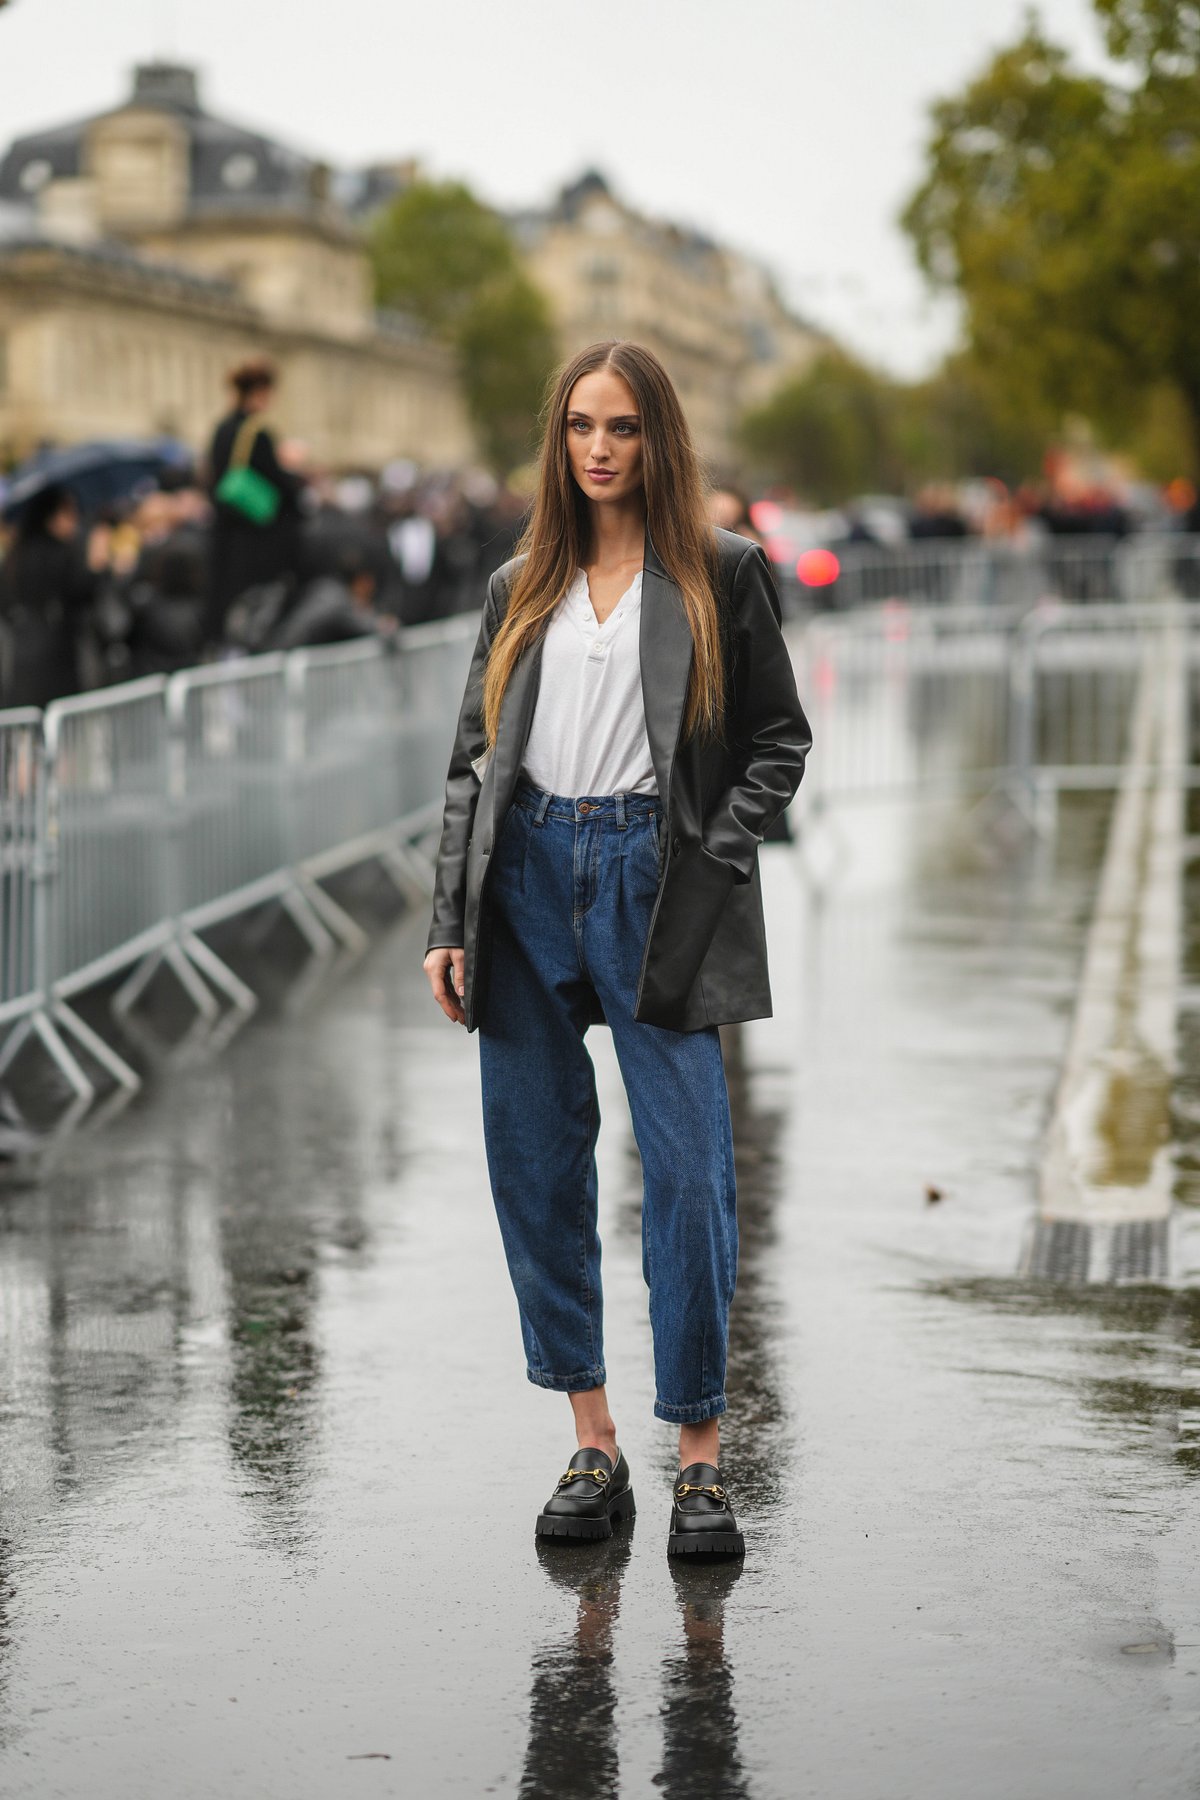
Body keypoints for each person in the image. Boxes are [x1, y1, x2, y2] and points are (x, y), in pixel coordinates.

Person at [423, 340, 811, 1559]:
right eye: (583, 426)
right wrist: (448, 919)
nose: (599, 448)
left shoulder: (722, 573)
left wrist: (707, 856)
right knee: (536, 1161)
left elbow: (778, 744)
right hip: (525, 873)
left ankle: (699, 1458)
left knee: (690, 1168)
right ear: (560, 439)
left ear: (660, 439)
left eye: (624, 427)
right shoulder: (519, 581)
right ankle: (592, 1443)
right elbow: (472, 766)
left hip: (655, 873)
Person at [205, 357, 306, 647]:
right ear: (261, 392)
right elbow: (281, 487)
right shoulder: (257, 432)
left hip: (226, 537)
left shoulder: (222, 429)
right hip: (254, 543)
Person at [0, 484, 102, 706]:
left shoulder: (17, 554)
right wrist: (96, 568)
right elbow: (80, 593)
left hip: (22, 652)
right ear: (51, 516)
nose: (74, 520)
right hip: (56, 655)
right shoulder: (62, 553)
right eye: (68, 513)